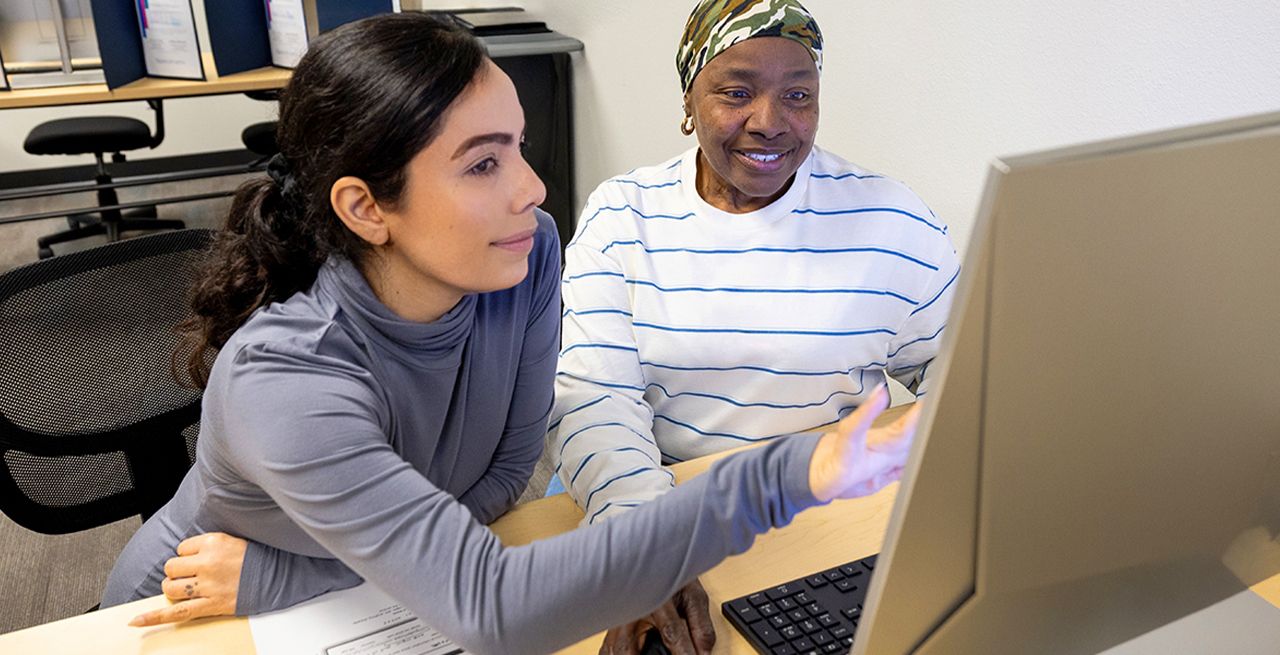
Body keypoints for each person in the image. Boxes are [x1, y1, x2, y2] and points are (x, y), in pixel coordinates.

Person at [99, 12, 919, 655]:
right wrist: (793, 475)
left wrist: (306, 569)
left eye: (519, 147)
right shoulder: (285, 376)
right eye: (483, 163)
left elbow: (500, 480)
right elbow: (492, 604)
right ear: (366, 207)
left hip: (348, 596)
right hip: (195, 610)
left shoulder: (526, 260)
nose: (533, 188)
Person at [547, 0, 961, 651]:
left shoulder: (892, 222)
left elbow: (964, 370)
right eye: (736, 93)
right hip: (663, 503)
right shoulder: (623, 216)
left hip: (820, 509)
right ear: (690, 99)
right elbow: (595, 401)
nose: (769, 123)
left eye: (798, 95)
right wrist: (646, 547)